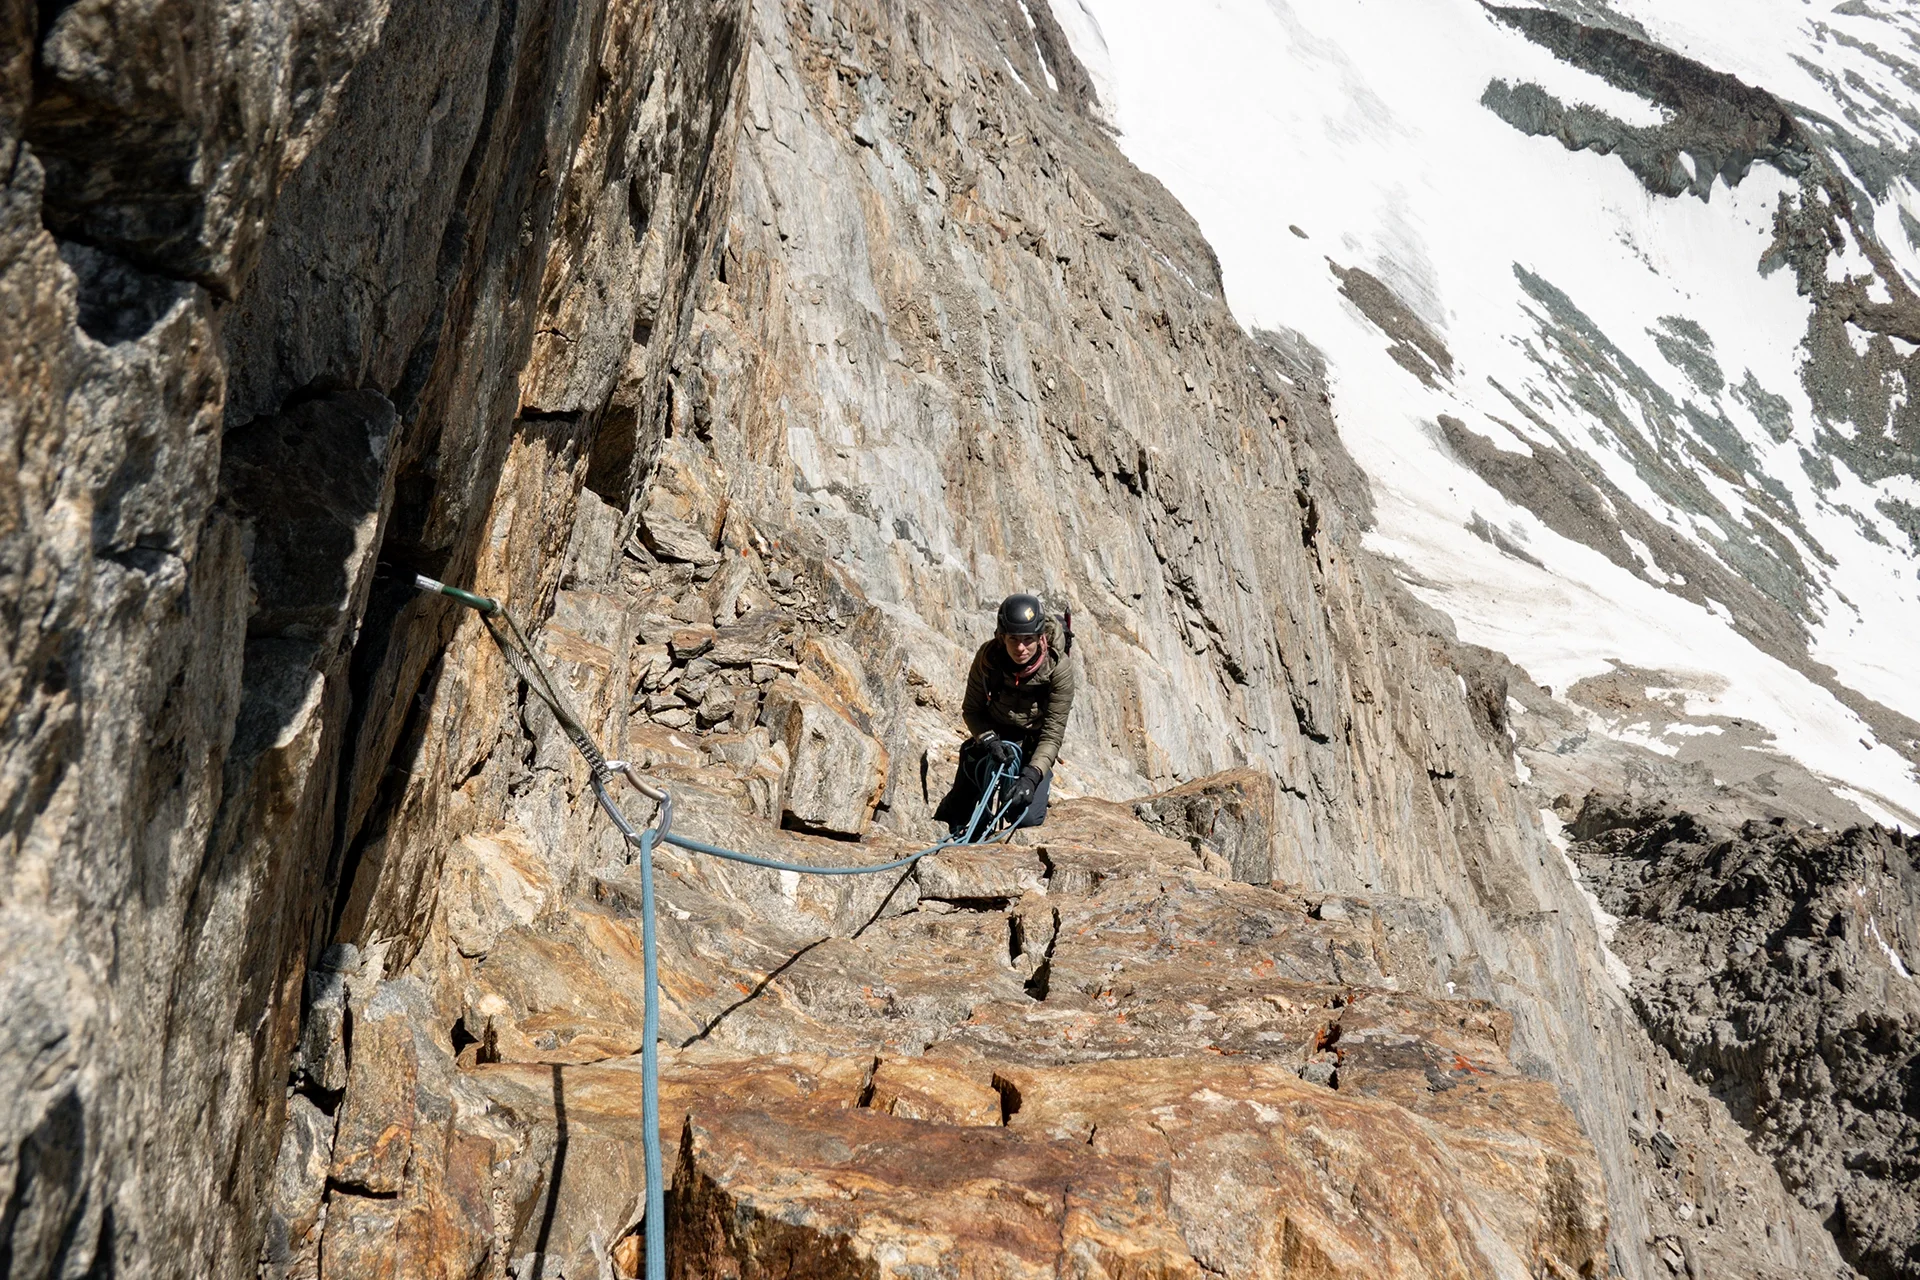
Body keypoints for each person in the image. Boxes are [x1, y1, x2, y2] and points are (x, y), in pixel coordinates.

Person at [934, 593, 1076, 833]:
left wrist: (1032, 775)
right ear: (1002, 637)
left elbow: (1052, 735)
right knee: (956, 813)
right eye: (1013, 639)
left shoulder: (1058, 669)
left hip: (1032, 746)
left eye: (1028, 639)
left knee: (1026, 818)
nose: (1020, 648)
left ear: (1040, 636)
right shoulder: (988, 659)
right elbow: (972, 710)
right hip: (994, 737)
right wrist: (988, 740)